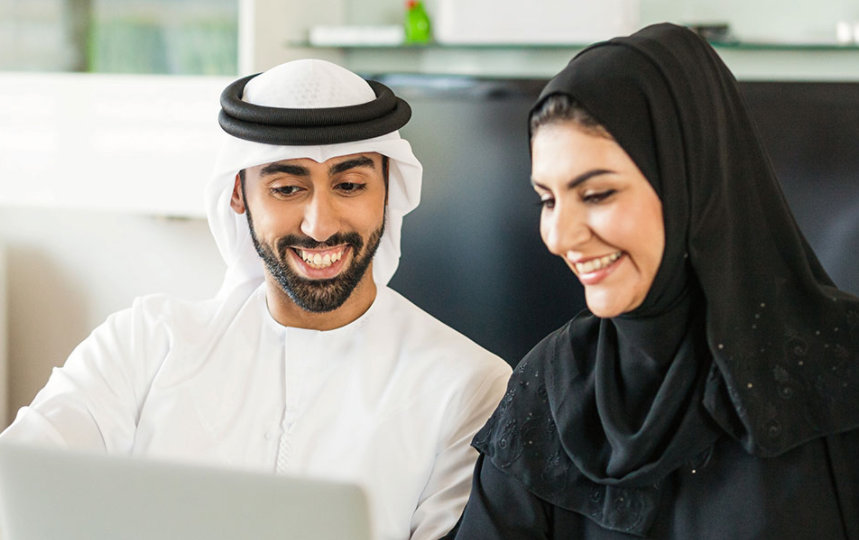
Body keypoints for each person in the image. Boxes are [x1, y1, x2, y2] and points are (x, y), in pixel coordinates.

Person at [0, 59, 511, 540]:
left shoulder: (467, 385)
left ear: (388, 190)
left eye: (350, 184)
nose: (320, 225)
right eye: (287, 189)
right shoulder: (143, 345)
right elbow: (19, 487)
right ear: (238, 194)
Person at [451, 23, 859, 538]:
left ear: (691, 183)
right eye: (547, 200)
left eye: (597, 194)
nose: (559, 236)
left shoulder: (842, 366)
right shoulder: (547, 390)